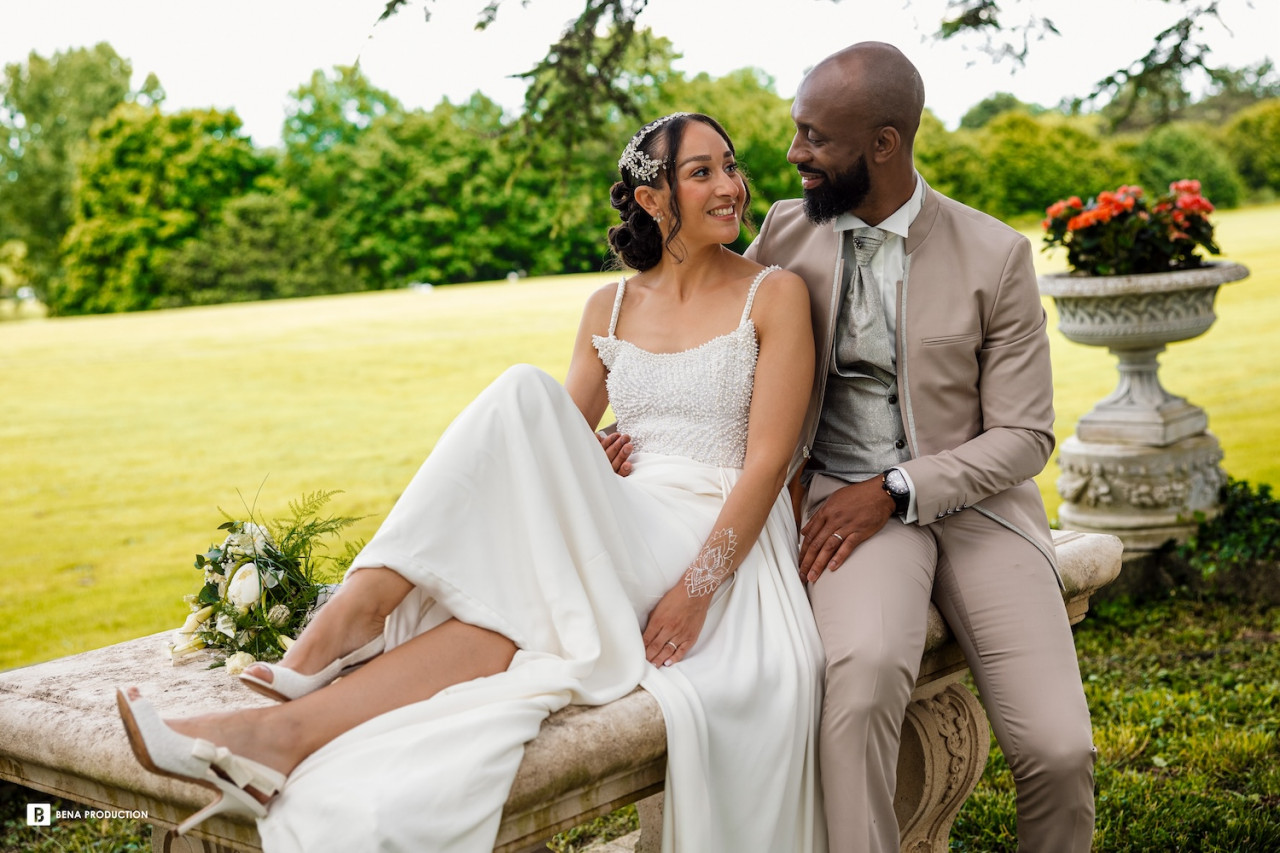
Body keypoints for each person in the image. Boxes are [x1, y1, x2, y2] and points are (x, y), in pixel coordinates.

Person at [116, 112, 827, 853]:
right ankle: (275, 734)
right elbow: (555, 431)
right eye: (702, 172)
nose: (732, 187)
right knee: (500, 601)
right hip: (626, 509)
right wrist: (592, 462)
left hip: (710, 526)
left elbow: (768, 462)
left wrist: (695, 592)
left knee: (522, 392)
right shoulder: (610, 306)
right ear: (653, 200)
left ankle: (349, 618)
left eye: (731, 165)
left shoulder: (772, 294)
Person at [743, 43, 1097, 852]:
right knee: (859, 685)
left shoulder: (996, 254)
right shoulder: (784, 231)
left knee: (1059, 747)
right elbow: (723, 349)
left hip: (978, 512)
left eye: (815, 138)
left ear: (884, 144)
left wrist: (897, 487)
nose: (795, 154)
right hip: (841, 502)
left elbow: (1024, 436)